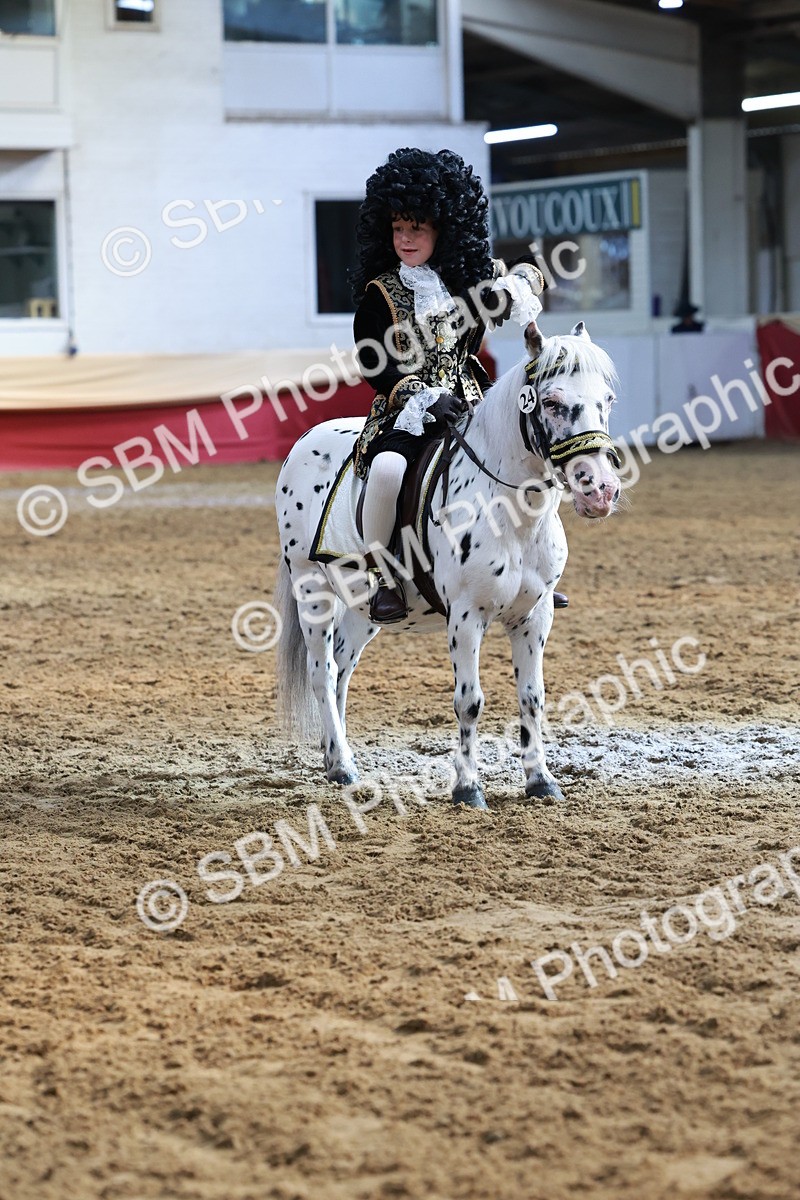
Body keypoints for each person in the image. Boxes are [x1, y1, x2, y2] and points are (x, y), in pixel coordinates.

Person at [350, 146, 548, 623]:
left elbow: (531, 269)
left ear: (444, 228)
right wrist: (420, 397)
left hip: (473, 404)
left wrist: (519, 281)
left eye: (416, 228)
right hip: (408, 412)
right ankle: (383, 576)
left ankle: (535, 569)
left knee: (530, 458)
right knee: (388, 470)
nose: (405, 238)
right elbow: (375, 365)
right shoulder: (380, 294)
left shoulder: (468, 281)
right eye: (398, 228)